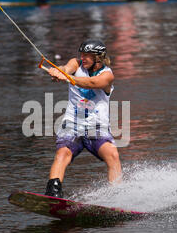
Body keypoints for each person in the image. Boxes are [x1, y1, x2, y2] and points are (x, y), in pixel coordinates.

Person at [44, 39, 122, 198]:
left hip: (97, 127)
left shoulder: (107, 75)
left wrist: (66, 78)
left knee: (112, 154)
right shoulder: (76, 64)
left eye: (88, 55)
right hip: (73, 125)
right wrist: (59, 71)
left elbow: (92, 83)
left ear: (98, 58)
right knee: (62, 154)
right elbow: (67, 68)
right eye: (82, 54)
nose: (83, 58)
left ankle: (117, 195)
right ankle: (53, 193)